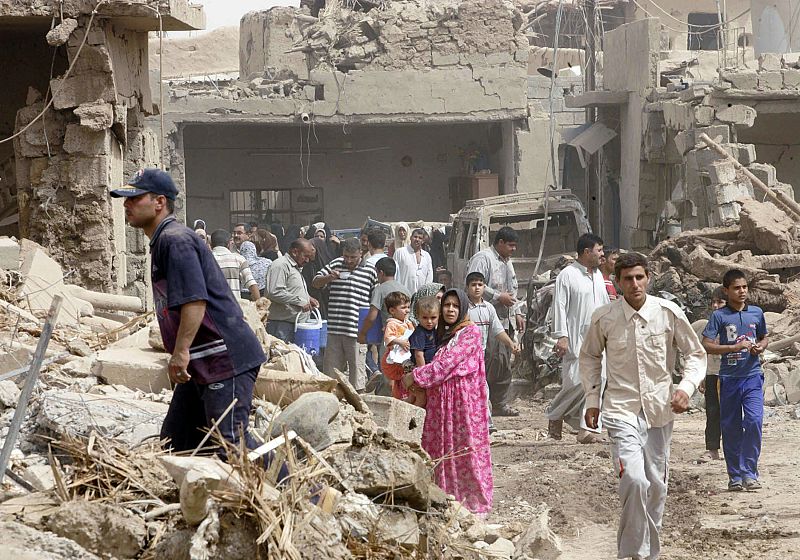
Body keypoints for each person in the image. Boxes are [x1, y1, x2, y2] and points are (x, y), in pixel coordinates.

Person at [110, 168, 266, 455]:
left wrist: (180, 352)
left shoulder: (175, 240)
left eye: (134, 198)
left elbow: (195, 302)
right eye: (125, 199)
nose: (126, 204)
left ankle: (311, 496)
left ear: (159, 202)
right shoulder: (163, 240)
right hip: (201, 362)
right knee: (177, 441)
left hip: (224, 358)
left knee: (230, 443)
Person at [580, 252, 706, 560]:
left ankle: (649, 553)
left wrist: (686, 388)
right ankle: (633, 554)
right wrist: (592, 399)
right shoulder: (605, 317)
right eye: (628, 279)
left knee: (656, 487)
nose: (634, 284)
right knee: (633, 480)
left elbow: (696, 354)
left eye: (639, 277)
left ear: (648, 278)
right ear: (618, 282)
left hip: (660, 412)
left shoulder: (667, 312)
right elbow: (590, 358)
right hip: (620, 409)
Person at [402, 289, 492, 514]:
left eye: (455, 305)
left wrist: (415, 376)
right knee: (439, 450)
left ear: (462, 308)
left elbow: (446, 365)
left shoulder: (469, 332)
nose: (450, 309)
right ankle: (443, 497)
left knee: (464, 451)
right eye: (446, 305)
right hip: (442, 406)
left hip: (462, 406)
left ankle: (470, 502)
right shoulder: (443, 334)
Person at [702, 269, 768, 492]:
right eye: (737, 288)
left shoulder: (756, 313)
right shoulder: (719, 316)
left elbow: (764, 336)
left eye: (744, 287)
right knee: (730, 426)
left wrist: (760, 347)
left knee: (753, 421)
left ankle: (750, 472)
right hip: (729, 379)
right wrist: (732, 348)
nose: (741, 292)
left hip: (752, 377)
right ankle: (735, 476)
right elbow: (707, 344)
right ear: (726, 290)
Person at [546, 233, 610, 443]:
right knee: (576, 382)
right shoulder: (568, 275)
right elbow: (560, 306)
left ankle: (587, 429)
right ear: (586, 252)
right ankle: (555, 413)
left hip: (597, 337)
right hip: (575, 337)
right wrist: (561, 336)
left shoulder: (598, 275)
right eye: (599, 250)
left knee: (598, 380)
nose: (602, 254)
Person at [465, 226, 524, 417]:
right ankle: (482, 403)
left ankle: (499, 403)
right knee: (489, 361)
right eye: (510, 245)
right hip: (485, 319)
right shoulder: (483, 258)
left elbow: (513, 289)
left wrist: (517, 312)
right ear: (499, 243)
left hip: (505, 320)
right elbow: (475, 283)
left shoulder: (507, 262)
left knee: (504, 362)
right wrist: (498, 296)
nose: (513, 249)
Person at [313, 238, 377, 391]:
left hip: (357, 332)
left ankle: (359, 408)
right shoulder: (335, 264)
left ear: (360, 253)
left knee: (357, 377)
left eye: (352, 257)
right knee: (331, 375)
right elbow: (315, 282)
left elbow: (375, 301)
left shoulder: (370, 271)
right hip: (335, 330)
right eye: (346, 256)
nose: (348, 260)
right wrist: (329, 278)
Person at [264, 238, 318, 343]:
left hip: (294, 324)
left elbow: (291, 289)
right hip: (281, 325)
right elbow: (274, 291)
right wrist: (300, 301)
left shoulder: (295, 266)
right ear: (295, 252)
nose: (307, 260)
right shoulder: (280, 265)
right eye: (305, 256)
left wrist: (308, 298)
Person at [693, 287, 726, 463]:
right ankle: (712, 449)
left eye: (719, 302)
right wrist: (702, 376)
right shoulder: (707, 327)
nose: (715, 306)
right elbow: (701, 353)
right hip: (713, 374)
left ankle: (733, 449)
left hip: (733, 375)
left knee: (733, 413)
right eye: (713, 302)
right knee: (712, 412)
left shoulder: (737, 323)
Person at [380, 291, 425, 406]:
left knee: (408, 377)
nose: (407, 310)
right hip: (397, 358)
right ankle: (407, 398)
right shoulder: (392, 324)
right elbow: (388, 339)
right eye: (403, 307)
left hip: (406, 356)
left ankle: (409, 397)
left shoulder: (408, 323)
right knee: (407, 376)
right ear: (392, 311)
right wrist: (400, 341)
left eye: (408, 307)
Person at [209, 229, 261, 302]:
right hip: (234, 308)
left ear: (211, 244)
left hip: (212, 308)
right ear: (229, 244)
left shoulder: (204, 260)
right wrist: (259, 307)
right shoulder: (239, 259)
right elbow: (252, 284)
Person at [394, 228, 433, 294]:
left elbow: (429, 276)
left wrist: (426, 293)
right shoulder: (400, 252)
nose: (417, 239)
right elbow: (395, 273)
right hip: (403, 295)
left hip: (421, 296)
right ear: (410, 238)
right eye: (415, 237)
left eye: (420, 238)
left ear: (423, 241)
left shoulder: (426, 256)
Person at [409, 296, 439, 371]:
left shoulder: (433, 330)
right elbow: (418, 355)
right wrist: (423, 372)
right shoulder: (420, 333)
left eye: (433, 318)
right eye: (425, 318)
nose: (429, 321)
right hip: (423, 367)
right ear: (418, 317)